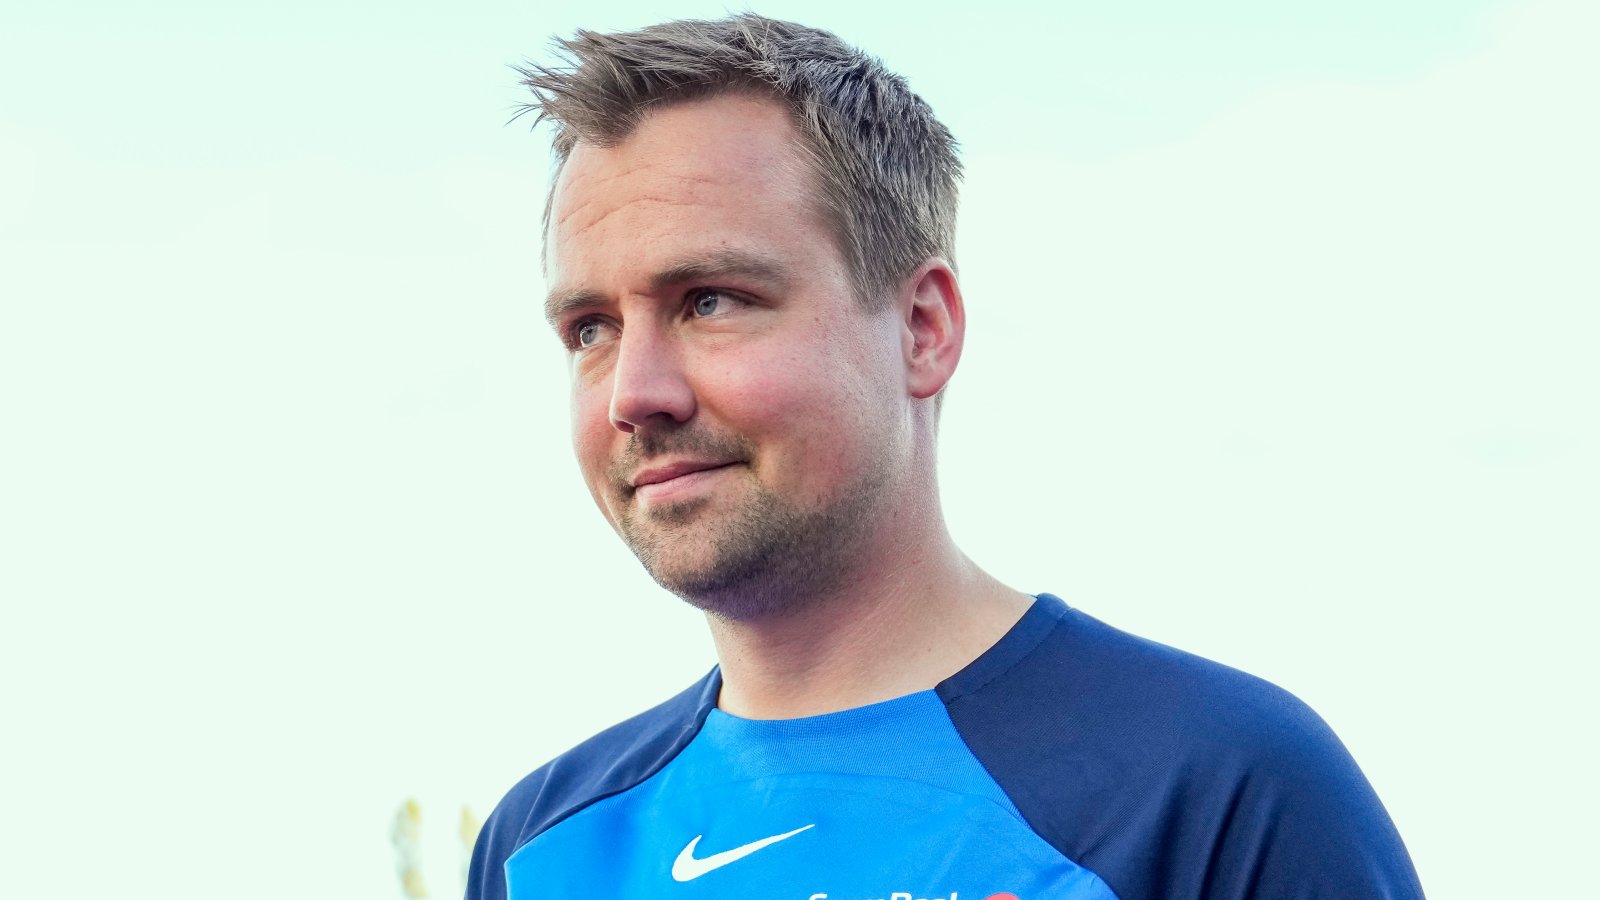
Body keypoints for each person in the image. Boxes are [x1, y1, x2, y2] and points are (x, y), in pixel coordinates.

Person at [468, 13, 1423, 900]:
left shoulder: (1215, 786)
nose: (635, 394)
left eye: (710, 301)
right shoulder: (540, 847)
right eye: (590, 328)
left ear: (923, 329)